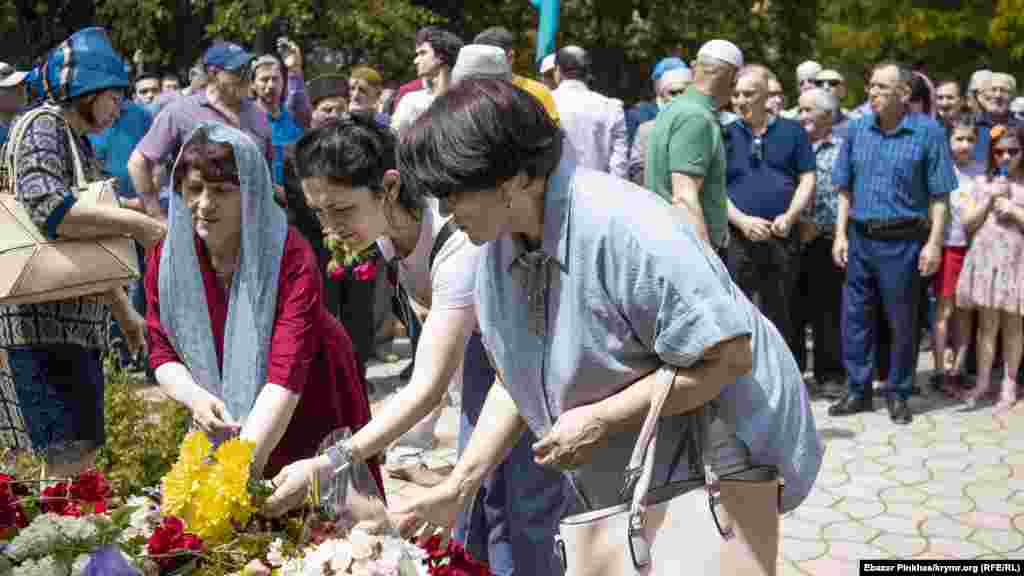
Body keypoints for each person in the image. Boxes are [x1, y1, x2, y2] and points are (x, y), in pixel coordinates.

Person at [390, 78, 821, 538]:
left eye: (454, 192)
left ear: (515, 176)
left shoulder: (630, 228)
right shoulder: (498, 242)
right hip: (639, 476)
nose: (445, 209)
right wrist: (460, 485)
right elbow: (512, 376)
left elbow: (729, 357)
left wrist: (602, 418)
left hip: (718, 464)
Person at [265, 115, 569, 575]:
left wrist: (330, 462)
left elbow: (424, 387)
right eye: (319, 212)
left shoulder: (460, 246)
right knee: (478, 516)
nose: (329, 228)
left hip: (527, 385)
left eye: (342, 210)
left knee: (522, 522)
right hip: (483, 383)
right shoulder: (390, 235)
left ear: (388, 188)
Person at [144, 122, 381, 487]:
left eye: (222, 191)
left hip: (308, 394)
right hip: (227, 408)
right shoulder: (169, 258)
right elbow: (161, 351)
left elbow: (285, 375)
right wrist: (196, 398)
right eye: (194, 189)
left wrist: (236, 475)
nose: (205, 205)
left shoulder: (290, 256)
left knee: (319, 510)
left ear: (251, 195)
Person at [0, 27, 166, 475]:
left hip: (74, 328)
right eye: (112, 96)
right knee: (61, 465)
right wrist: (139, 224)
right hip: (38, 329)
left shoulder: (77, 141)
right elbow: (50, 208)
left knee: (83, 458)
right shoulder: (42, 126)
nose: (119, 107)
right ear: (85, 91)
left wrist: (124, 313)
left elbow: (88, 247)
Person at [829, 62, 954, 425]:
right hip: (860, 237)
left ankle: (898, 392)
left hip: (904, 241)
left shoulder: (928, 132)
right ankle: (858, 390)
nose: (873, 93)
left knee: (902, 321)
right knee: (855, 319)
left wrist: (933, 244)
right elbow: (844, 188)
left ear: (904, 94)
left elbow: (940, 195)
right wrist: (839, 234)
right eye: (871, 86)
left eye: (882, 88)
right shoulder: (857, 130)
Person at [956, 124, 1024, 412]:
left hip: (1016, 261)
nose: (1006, 157)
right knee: (986, 326)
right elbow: (967, 222)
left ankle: (1009, 382)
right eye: (999, 152)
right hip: (986, 261)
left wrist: (1014, 209)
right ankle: (983, 382)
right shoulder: (982, 182)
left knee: (1013, 325)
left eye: (1013, 151)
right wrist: (988, 197)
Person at [931, 119, 982, 398]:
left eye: (970, 140)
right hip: (949, 246)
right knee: (945, 309)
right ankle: (939, 369)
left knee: (965, 310)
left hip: (974, 249)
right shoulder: (941, 170)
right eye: (959, 139)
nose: (964, 145)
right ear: (948, 142)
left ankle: (959, 367)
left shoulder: (980, 172)